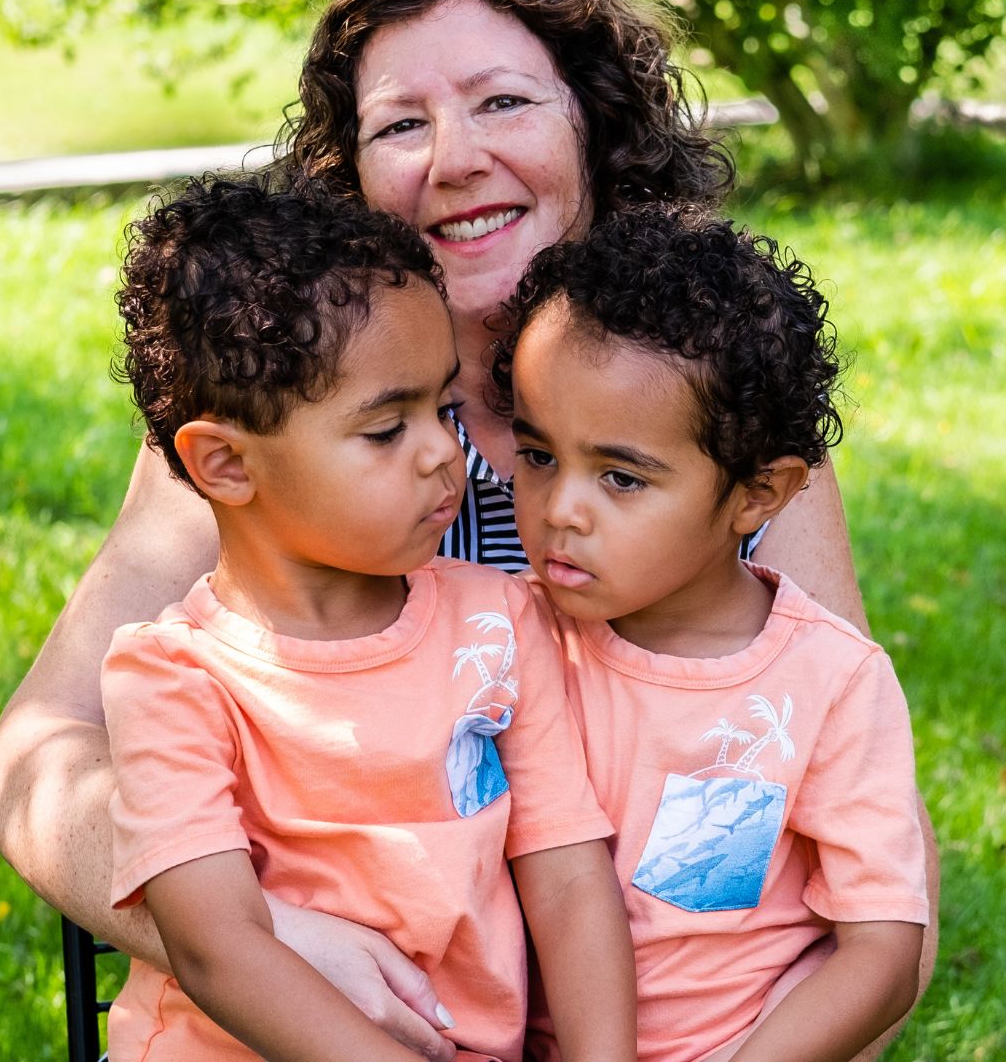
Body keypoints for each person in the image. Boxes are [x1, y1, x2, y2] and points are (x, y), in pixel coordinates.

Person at [0, 0, 938, 1060]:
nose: (456, 159)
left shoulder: (714, 420)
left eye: (503, 102)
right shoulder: (268, 436)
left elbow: (873, 870)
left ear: (593, 130)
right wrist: (260, 933)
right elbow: (43, 753)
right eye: (402, 125)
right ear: (352, 171)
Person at [97, 177, 634, 1062]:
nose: (442, 451)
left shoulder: (498, 624)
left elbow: (571, 878)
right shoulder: (174, 678)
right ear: (226, 464)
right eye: (388, 430)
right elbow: (217, 946)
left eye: (444, 410)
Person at [500, 208, 926, 1062]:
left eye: (621, 478)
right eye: (539, 456)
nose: (561, 510)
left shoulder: (827, 682)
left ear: (758, 494)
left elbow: (881, 953)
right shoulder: (497, 636)